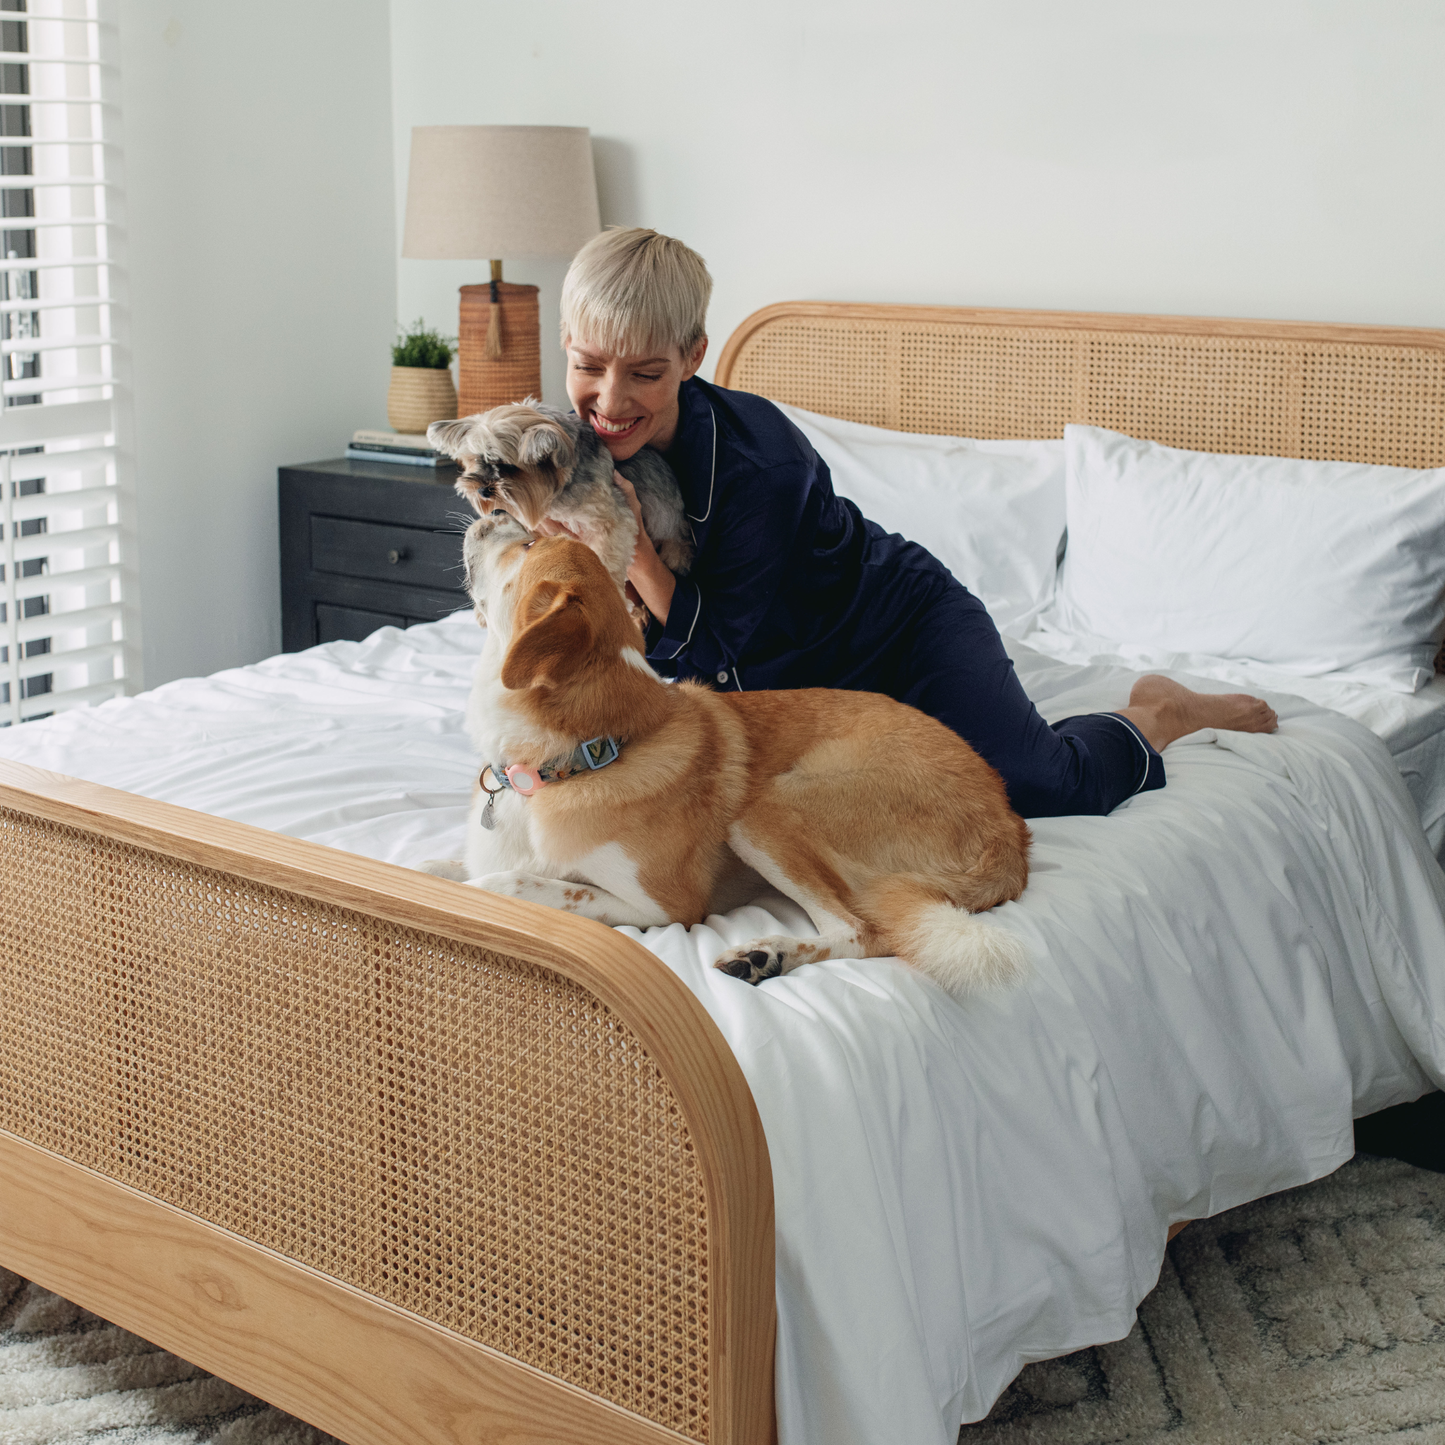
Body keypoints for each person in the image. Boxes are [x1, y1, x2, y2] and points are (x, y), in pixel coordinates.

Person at [542, 227, 1276, 818]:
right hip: (779, 682)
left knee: (1039, 785)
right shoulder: (571, 451)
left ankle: (1160, 711)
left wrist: (634, 551)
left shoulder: (759, 463)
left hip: (895, 630)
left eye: (644, 373)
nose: (609, 399)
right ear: (566, 346)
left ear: (692, 357)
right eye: (589, 366)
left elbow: (718, 639)